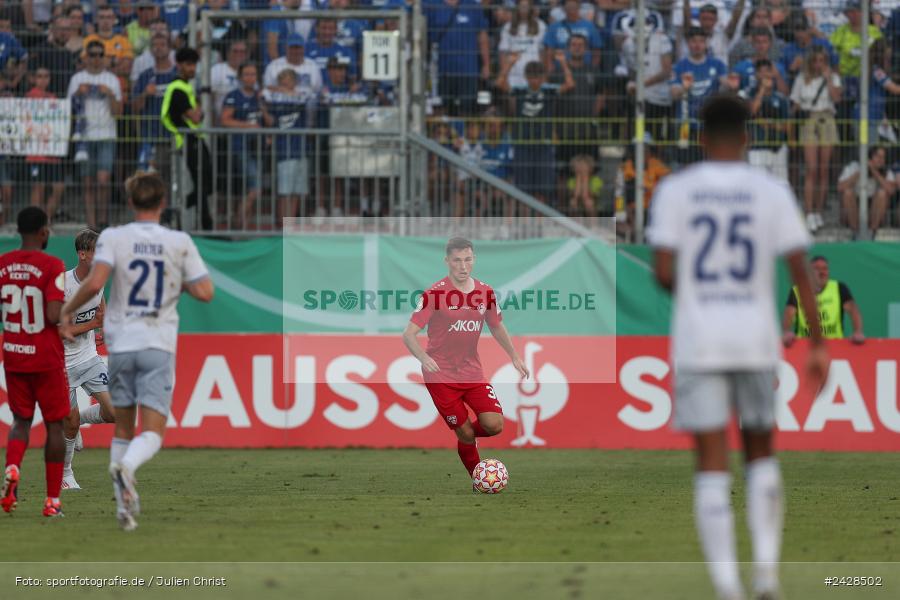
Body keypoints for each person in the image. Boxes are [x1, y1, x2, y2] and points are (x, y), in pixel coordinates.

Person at [647, 94, 829, 600]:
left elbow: (663, 272)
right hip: (754, 339)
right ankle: (767, 576)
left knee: (710, 460)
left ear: (700, 136)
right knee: (761, 452)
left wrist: (697, 290)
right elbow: (800, 273)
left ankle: (727, 587)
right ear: (747, 136)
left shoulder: (676, 190)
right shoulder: (769, 191)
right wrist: (818, 344)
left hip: (700, 340)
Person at [60, 172, 214, 532]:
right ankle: (127, 467)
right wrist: (177, 282)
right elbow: (205, 292)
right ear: (163, 203)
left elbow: (95, 283)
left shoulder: (114, 237)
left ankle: (123, 509)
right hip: (157, 343)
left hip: (122, 345)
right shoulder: (179, 241)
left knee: (122, 428)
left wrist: (66, 312)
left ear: (130, 202)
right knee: (153, 432)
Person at [401, 237, 529, 480]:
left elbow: (497, 327)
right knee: (466, 434)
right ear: (447, 261)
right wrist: (423, 357)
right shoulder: (433, 294)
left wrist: (514, 356)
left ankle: (466, 434)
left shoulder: (486, 292)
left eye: (467, 259)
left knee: (494, 425)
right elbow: (409, 335)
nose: (462, 266)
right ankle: (478, 478)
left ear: (474, 260)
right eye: (457, 260)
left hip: (472, 372)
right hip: (441, 376)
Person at [0, 207, 70, 518]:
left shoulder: (3, 264)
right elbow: (54, 315)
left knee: (21, 422)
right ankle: (52, 501)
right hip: (45, 356)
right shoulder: (52, 264)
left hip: (14, 353)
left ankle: (13, 468)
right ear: (43, 232)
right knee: (55, 425)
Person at [61, 229, 115, 491]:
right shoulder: (64, 285)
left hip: (88, 357)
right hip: (61, 364)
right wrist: (94, 323)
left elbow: (99, 299)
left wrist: (101, 322)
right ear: (83, 254)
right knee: (68, 427)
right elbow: (64, 330)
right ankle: (66, 473)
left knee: (115, 411)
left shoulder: (99, 277)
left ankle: (80, 418)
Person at [497, 59, 574, 204]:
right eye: (531, 77)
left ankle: (540, 223)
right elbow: (500, 83)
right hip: (523, 145)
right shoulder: (520, 91)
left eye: (538, 77)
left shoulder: (549, 90)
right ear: (526, 77)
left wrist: (563, 63)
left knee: (542, 188)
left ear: (543, 77)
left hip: (543, 145)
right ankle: (526, 224)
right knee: (524, 190)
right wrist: (510, 63)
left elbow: (569, 84)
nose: (535, 81)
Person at [67, 40, 123, 229]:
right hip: (84, 137)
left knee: (103, 181)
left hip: (107, 135)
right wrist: (76, 93)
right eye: (92, 55)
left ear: (105, 57)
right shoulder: (77, 79)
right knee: (88, 182)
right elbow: (68, 110)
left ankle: (102, 221)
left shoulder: (112, 80)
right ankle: (91, 224)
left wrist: (110, 95)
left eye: (100, 55)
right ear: (86, 57)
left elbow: (119, 113)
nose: (96, 59)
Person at [790, 46, 842, 232]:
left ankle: (819, 211)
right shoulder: (801, 79)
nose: (819, 64)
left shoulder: (834, 77)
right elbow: (795, 104)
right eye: (816, 60)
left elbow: (836, 99)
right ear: (811, 61)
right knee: (811, 168)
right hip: (809, 119)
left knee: (823, 169)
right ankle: (808, 211)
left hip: (827, 118)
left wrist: (828, 79)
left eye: (822, 61)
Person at [161, 47, 213, 230]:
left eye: (194, 65)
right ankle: (205, 224)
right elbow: (196, 117)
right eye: (189, 64)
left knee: (207, 182)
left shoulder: (184, 87)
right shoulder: (178, 89)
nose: (192, 69)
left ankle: (192, 208)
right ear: (179, 65)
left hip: (193, 139)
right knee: (203, 183)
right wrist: (201, 106)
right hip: (187, 140)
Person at [670, 28, 733, 164]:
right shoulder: (680, 66)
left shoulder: (717, 64)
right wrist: (684, 88)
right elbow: (674, 94)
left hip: (710, 124)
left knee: (710, 162)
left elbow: (727, 84)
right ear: (687, 43)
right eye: (693, 41)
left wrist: (732, 84)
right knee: (686, 163)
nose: (697, 45)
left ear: (706, 43)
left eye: (701, 41)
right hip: (685, 125)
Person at [263, 68, 315, 223]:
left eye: (288, 81)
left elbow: (310, 98)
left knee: (297, 191)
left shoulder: (303, 95)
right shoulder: (274, 97)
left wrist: (286, 91)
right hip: (284, 149)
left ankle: (290, 222)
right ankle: (282, 223)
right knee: (284, 191)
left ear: (295, 82)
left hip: (301, 148)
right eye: (282, 81)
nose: (285, 84)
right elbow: (264, 98)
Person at [425, 0, 491, 116]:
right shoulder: (430, 4)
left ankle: (464, 134)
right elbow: (422, 33)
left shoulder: (473, 6)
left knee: (467, 109)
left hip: (468, 70)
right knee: (442, 110)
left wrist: (486, 64)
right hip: (441, 71)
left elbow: (482, 37)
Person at [783, 255, 865, 346]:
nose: (822, 272)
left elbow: (853, 310)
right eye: (817, 269)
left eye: (825, 269)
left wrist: (858, 331)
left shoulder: (839, 288)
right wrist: (786, 332)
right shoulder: (798, 290)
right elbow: (789, 313)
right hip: (804, 345)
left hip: (836, 344)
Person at [221, 62, 265, 229]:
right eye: (246, 74)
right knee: (255, 189)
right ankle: (239, 222)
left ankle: (244, 222)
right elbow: (225, 120)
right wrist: (249, 126)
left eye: (253, 74)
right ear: (240, 77)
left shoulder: (259, 96)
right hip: (240, 147)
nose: (250, 78)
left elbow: (268, 121)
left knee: (250, 189)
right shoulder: (233, 96)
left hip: (258, 149)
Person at [132, 32, 177, 173]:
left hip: (175, 136)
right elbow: (135, 107)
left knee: (174, 180)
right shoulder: (145, 76)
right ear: (150, 50)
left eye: (162, 45)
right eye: (154, 45)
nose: (158, 48)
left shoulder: (178, 75)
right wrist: (145, 94)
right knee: (145, 178)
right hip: (150, 136)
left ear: (170, 49)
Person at [26, 68, 66, 220]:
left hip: (51, 151)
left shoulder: (53, 97)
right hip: (36, 152)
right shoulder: (29, 97)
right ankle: (36, 224)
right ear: (33, 79)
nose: (43, 79)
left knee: (58, 187)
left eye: (46, 76)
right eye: (39, 76)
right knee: (39, 187)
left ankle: (46, 221)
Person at [741, 59, 790, 182]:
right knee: (757, 184)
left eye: (767, 71)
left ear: (772, 74)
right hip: (757, 147)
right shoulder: (749, 94)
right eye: (760, 72)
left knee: (780, 184)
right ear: (756, 75)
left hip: (777, 147)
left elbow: (788, 126)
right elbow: (752, 111)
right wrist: (762, 90)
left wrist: (768, 124)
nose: (764, 75)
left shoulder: (781, 98)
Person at [837, 145, 896, 237]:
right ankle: (855, 232)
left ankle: (872, 233)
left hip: (874, 208)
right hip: (855, 206)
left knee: (882, 194)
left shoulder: (886, 171)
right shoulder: (854, 166)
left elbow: (891, 190)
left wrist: (874, 172)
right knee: (847, 193)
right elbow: (840, 187)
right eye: (877, 156)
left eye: (883, 157)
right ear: (869, 157)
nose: (880, 160)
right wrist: (861, 171)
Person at [496, 0, 546, 92]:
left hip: (533, 74)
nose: (524, 9)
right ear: (517, 8)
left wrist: (543, 75)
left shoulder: (541, 25)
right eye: (522, 6)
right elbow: (503, 53)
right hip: (514, 73)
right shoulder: (508, 26)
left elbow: (542, 52)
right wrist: (505, 75)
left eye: (526, 6)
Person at [677, 0, 745, 65]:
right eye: (704, 19)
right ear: (699, 19)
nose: (707, 23)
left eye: (711, 19)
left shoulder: (722, 35)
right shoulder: (693, 33)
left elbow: (735, 19)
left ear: (716, 20)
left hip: (719, 74)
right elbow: (686, 19)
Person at [263, 33, 323, 98]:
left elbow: (318, 89)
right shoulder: (273, 65)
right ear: (286, 48)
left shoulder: (313, 65)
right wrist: (284, 91)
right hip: (280, 104)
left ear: (303, 48)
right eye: (292, 47)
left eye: (298, 47)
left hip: (306, 104)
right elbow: (267, 89)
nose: (295, 51)